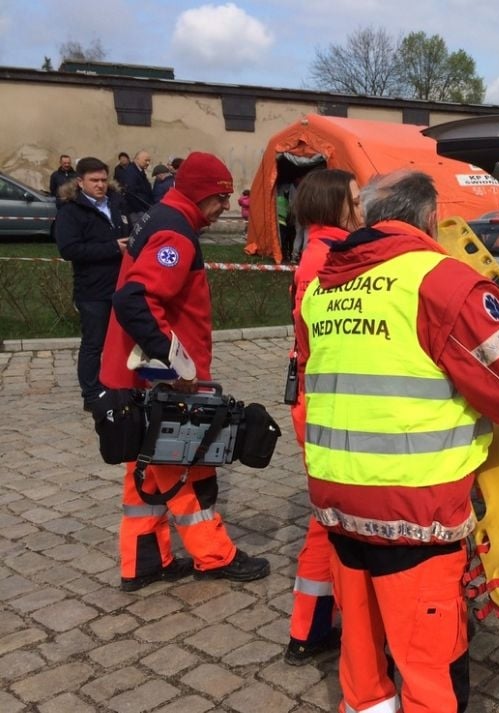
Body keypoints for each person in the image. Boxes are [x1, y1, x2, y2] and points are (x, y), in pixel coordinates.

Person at [295, 170, 499, 712]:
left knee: (363, 662)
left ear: (368, 218)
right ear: (431, 219)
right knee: (431, 666)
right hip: (415, 512)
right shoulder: (441, 281)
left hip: (336, 501)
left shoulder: (323, 287)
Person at [99, 151, 271, 591]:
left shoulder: (161, 218)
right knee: (187, 466)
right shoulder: (176, 233)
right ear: (201, 194)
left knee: (146, 470)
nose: (224, 209)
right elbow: (135, 299)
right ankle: (214, 556)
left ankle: (144, 561)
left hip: (136, 374)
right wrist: (174, 364)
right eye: (220, 198)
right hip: (164, 379)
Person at [283, 169, 364, 666]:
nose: (362, 208)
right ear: (335, 205)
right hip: (327, 403)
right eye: (355, 200)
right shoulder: (331, 260)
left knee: (326, 520)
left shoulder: (316, 251)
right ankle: (313, 628)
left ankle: (309, 627)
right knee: (332, 522)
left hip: (315, 400)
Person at [54, 157, 130, 411]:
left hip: (121, 284)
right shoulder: (71, 211)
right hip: (92, 289)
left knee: (120, 340)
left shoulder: (116, 203)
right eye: (94, 180)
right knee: (93, 343)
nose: (100, 185)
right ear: (80, 181)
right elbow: (69, 249)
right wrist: (112, 248)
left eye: (103, 179)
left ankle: (118, 384)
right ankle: (91, 393)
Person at [120, 149, 154, 223]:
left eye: (149, 161)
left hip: (143, 208)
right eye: (146, 160)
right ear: (137, 159)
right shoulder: (131, 172)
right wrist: (142, 209)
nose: (148, 163)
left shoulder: (139, 170)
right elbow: (131, 194)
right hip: (137, 211)